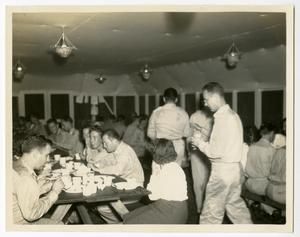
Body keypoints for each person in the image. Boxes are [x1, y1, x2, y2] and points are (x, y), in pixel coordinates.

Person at [191, 82, 252, 224]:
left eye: (206, 100)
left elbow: (215, 151)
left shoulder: (222, 118)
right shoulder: (234, 115)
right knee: (236, 209)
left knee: (210, 216)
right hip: (235, 169)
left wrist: (199, 143)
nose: (205, 104)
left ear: (215, 97)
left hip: (222, 171)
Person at [123, 139, 188, 224]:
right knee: (129, 217)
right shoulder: (175, 166)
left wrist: (154, 173)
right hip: (178, 207)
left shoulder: (165, 171)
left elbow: (152, 196)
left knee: (130, 223)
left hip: (171, 211)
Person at [12, 135, 65, 224]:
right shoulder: (26, 178)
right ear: (35, 155)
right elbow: (32, 214)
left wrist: (40, 188)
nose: (47, 159)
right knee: (59, 224)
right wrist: (54, 192)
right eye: (46, 155)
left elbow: (21, 194)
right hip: (19, 226)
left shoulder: (14, 165)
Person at [97, 129, 144, 223]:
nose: (104, 146)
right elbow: (104, 157)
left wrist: (97, 170)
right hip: (123, 185)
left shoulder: (125, 151)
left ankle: (125, 225)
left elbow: (117, 170)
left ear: (114, 141)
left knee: (102, 208)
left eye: (105, 143)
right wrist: (98, 163)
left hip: (135, 189)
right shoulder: (117, 148)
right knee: (102, 199)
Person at [147, 87, 190, 168]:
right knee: (176, 173)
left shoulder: (156, 112)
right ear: (176, 99)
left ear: (164, 99)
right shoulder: (183, 113)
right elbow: (186, 133)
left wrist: (159, 141)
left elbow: (150, 134)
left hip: (162, 146)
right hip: (178, 147)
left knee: (160, 173)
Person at [188, 109, 213, 215]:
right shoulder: (195, 116)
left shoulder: (215, 116)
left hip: (210, 151)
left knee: (206, 181)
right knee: (199, 181)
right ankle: (200, 208)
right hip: (198, 151)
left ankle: (205, 208)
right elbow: (189, 136)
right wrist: (189, 152)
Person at [245, 123, 276, 195]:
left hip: (250, 184)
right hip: (264, 186)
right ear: (272, 133)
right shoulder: (270, 149)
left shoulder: (252, 146)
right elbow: (274, 171)